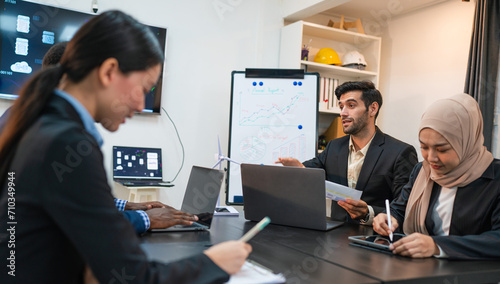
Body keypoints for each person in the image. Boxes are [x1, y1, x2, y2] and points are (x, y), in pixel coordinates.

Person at [0, 10, 250, 283]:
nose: (142, 105)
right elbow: (133, 278)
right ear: (108, 72)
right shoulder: (66, 142)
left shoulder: (38, 122)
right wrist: (214, 263)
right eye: (143, 88)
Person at [0, 41, 197, 235]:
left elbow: (69, 197)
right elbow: (86, 224)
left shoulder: (23, 114)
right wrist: (148, 219)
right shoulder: (61, 134)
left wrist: (126, 205)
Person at [373, 94, 500, 260]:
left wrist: (437, 246)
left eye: (442, 149)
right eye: (424, 147)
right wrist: (388, 218)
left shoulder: (495, 177)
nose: (431, 158)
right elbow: (400, 209)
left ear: (466, 142)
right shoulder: (423, 171)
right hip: (419, 270)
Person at [277, 81, 417, 225]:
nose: (343, 113)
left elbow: (404, 206)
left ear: (372, 109)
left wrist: (368, 212)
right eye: (341, 106)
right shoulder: (334, 146)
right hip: (334, 236)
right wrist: (299, 168)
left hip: (375, 239)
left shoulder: (400, 152)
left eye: (351, 105)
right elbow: (313, 171)